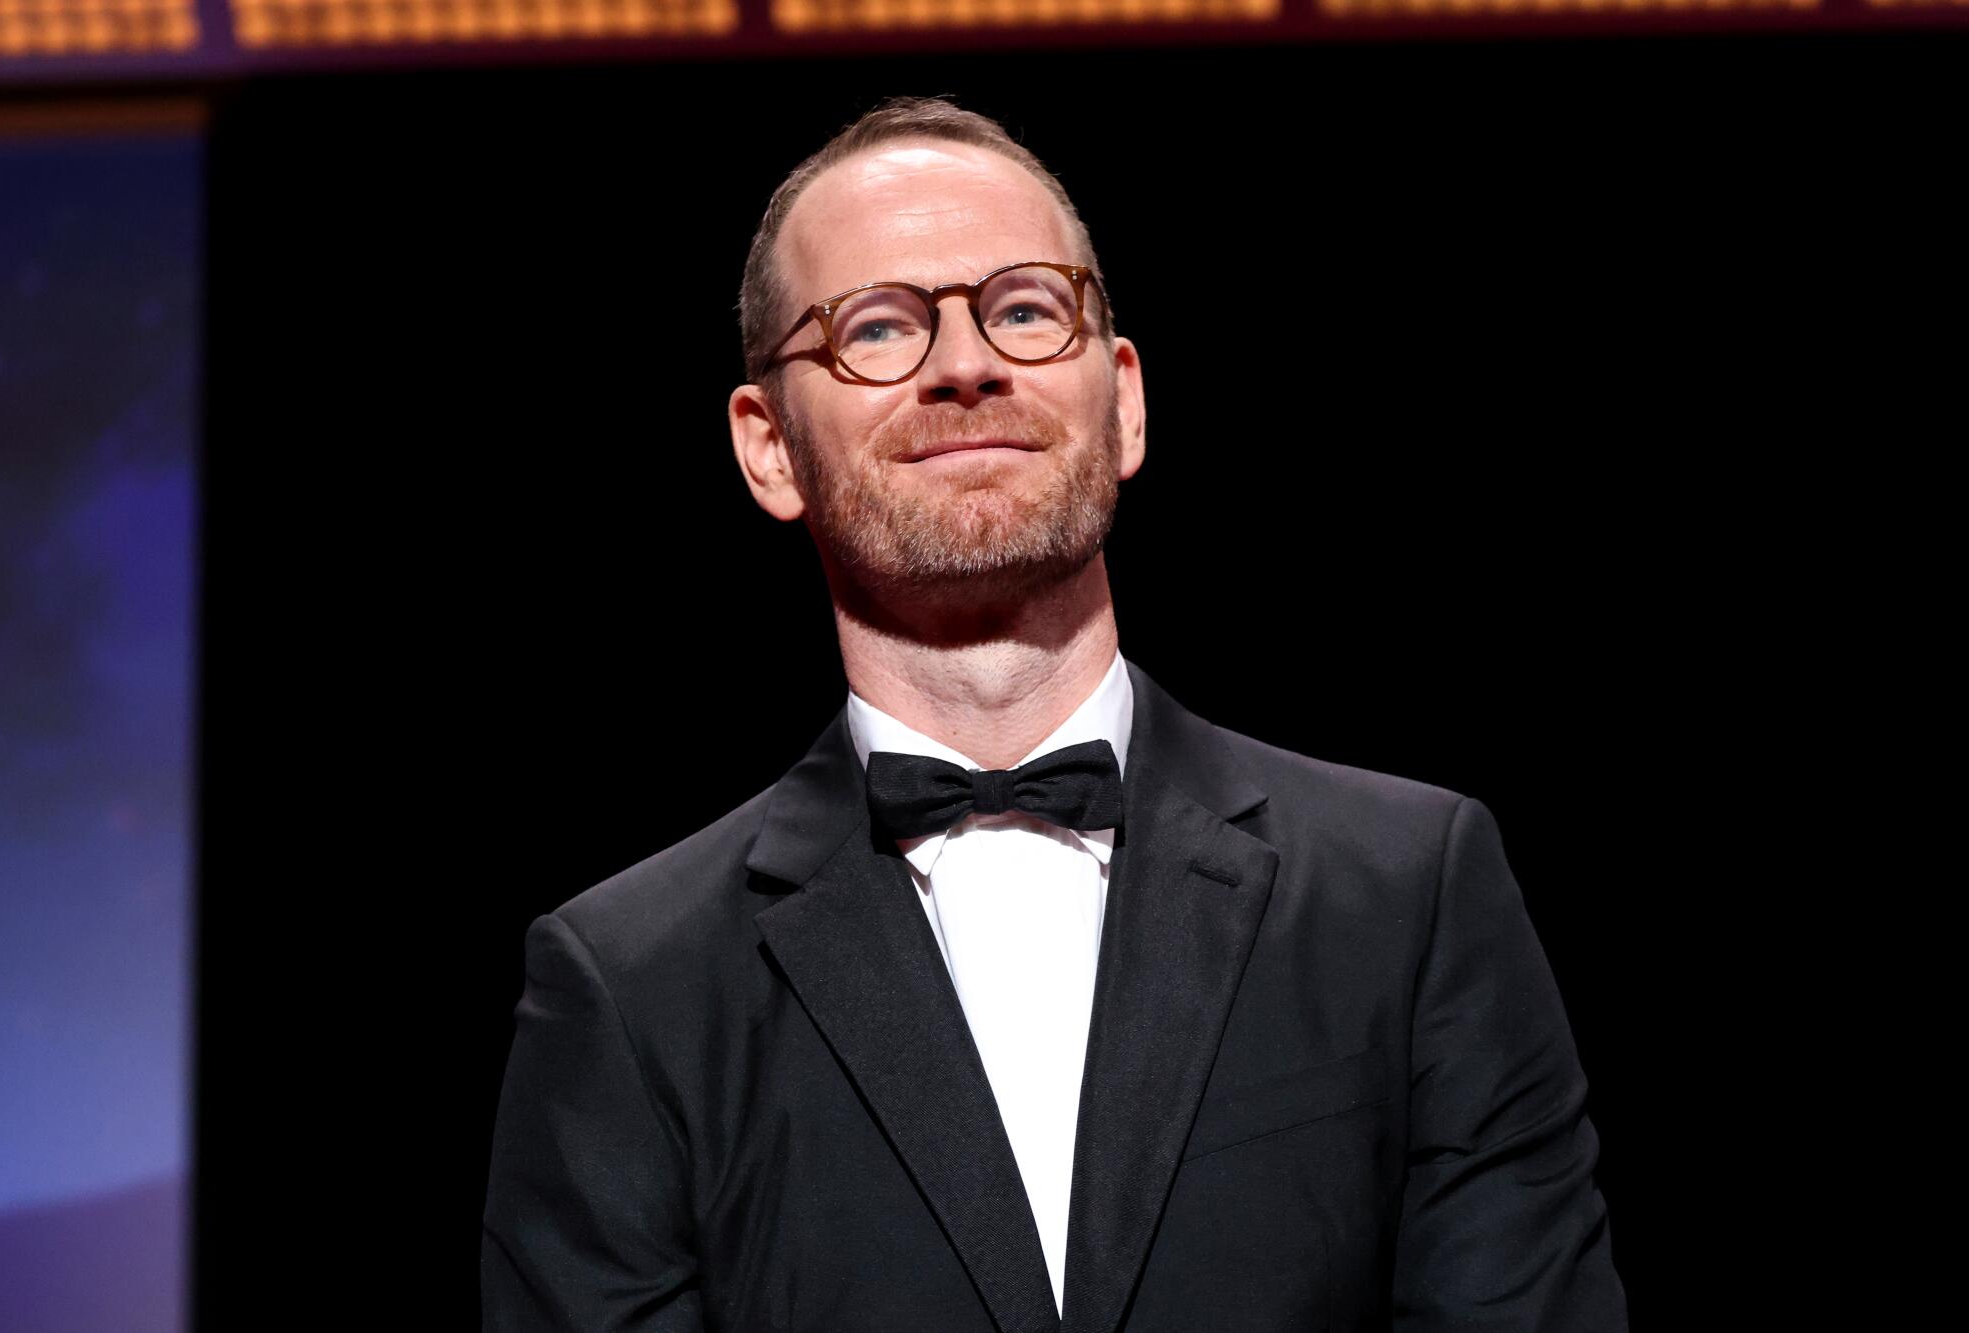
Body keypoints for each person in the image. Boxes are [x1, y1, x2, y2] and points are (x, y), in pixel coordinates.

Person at [481, 96, 1627, 1333]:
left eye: (1024, 308)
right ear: (768, 449)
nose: (966, 363)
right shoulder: (627, 983)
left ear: (1122, 400)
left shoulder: (1408, 892)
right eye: (876, 326)